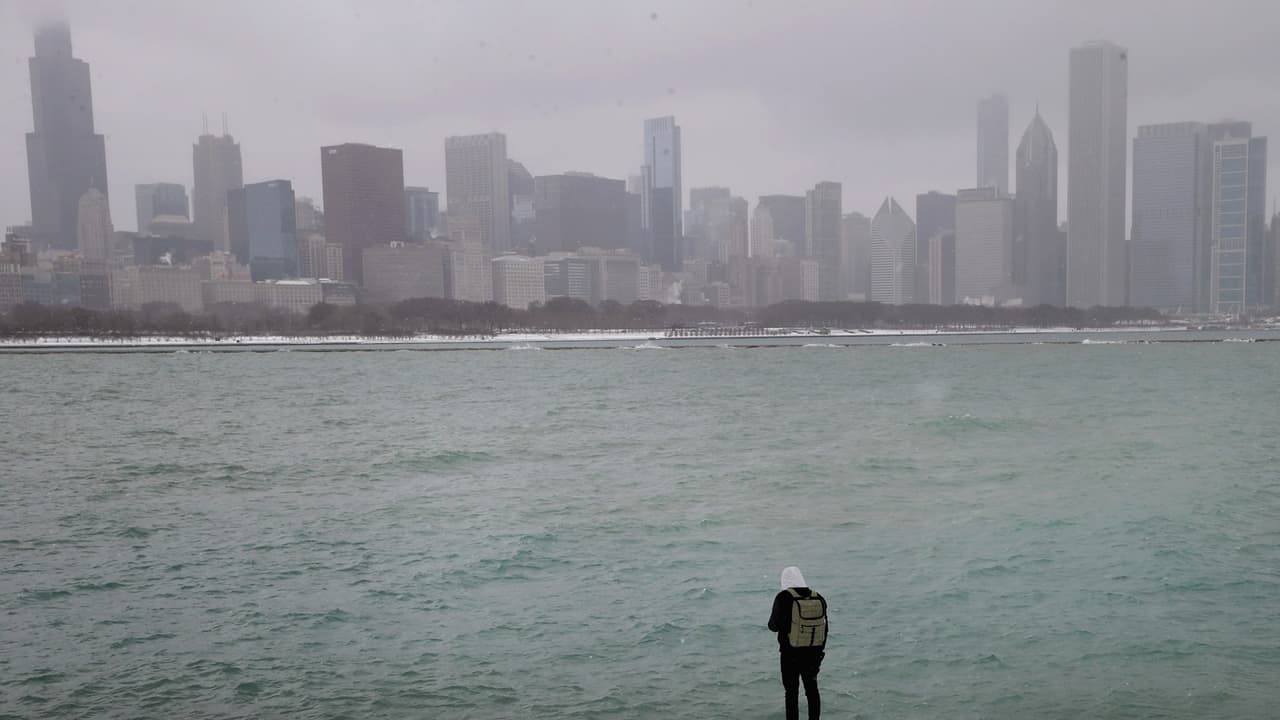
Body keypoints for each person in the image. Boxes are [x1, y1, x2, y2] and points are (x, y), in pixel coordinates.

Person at [767, 566, 827, 720]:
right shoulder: (818, 597)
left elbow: (773, 626)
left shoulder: (783, 597)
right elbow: (825, 629)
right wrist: (819, 653)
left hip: (790, 654)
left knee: (791, 692)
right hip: (813, 654)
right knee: (812, 689)